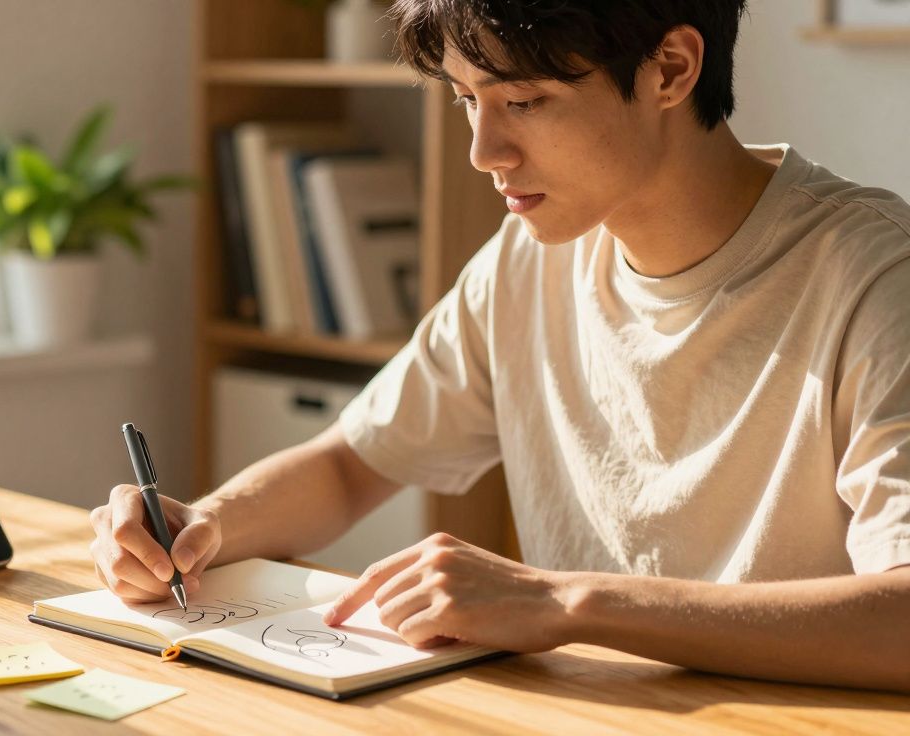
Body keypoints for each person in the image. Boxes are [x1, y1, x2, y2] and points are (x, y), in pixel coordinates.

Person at [90, 0, 910, 692]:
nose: (486, 152)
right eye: (464, 99)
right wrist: (200, 529)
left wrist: (565, 605)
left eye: (523, 102)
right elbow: (351, 463)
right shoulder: (531, 258)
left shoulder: (876, 278)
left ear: (670, 69)